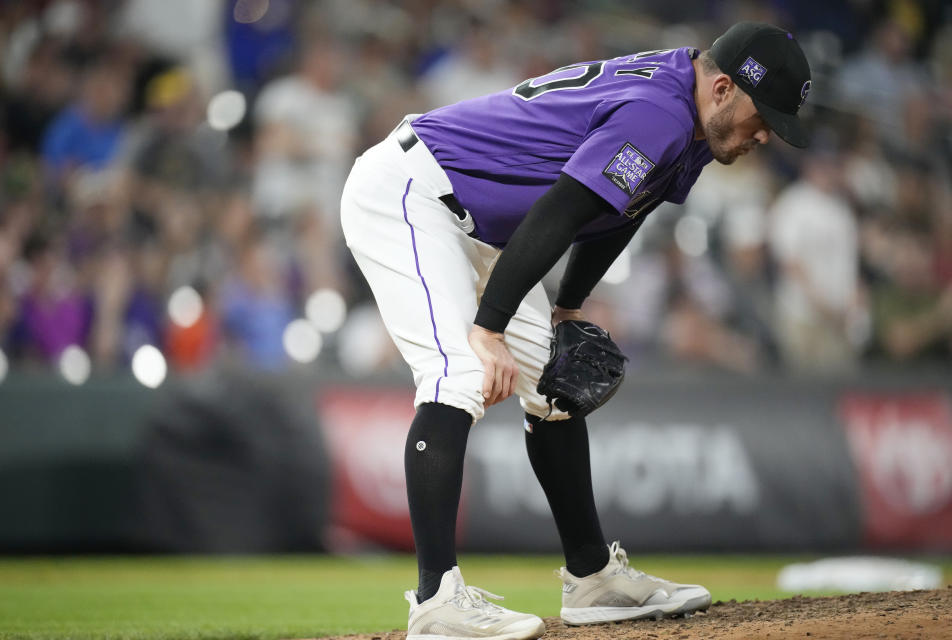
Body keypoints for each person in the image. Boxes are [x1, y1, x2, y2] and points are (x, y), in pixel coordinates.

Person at [340, 22, 813, 639]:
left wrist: (566, 308)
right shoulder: (660, 113)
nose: (765, 135)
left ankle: (592, 581)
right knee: (458, 370)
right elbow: (563, 210)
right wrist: (488, 329)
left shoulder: (690, 120)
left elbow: (617, 210)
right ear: (723, 87)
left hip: (482, 226)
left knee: (555, 378)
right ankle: (436, 603)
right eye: (763, 117)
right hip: (411, 192)